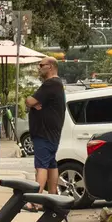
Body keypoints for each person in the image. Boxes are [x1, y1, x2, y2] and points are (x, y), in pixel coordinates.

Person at [25, 56, 67, 203]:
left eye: (41, 65)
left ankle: (35, 201)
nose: (39, 67)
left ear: (50, 66)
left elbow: (30, 100)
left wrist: (31, 103)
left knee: (41, 166)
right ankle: (53, 196)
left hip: (44, 132)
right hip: (51, 133)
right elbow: (33, 102)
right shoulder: (56, 85)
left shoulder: (51, 84)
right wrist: (34, 104)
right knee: (51, 164)